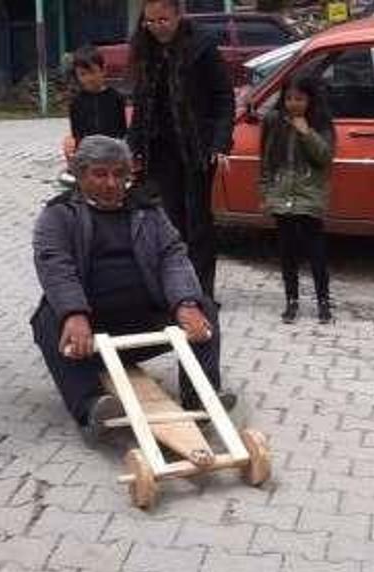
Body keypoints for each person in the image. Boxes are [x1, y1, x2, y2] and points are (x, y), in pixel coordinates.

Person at [31, 135, 235, 438]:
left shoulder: (147, 210)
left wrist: (185, 304)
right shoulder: (58, 214)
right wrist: (74, 313)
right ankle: (90, 407)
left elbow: (172, 255)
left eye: (118, 174)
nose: (111, 183)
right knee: (48, 318)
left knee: (202, 305)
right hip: (91, 333)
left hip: (143, 320)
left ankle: (202, 396)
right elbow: (55, 264)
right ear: (80, 174)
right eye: (100, 174)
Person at [127, 0, 235, 299]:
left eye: (163, 20)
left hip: (197, 147)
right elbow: (140, 103)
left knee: (198, 221)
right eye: (150, 22)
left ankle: (203, 292)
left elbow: (224, 98)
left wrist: (220, 142)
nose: (157, 27)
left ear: (177, 16)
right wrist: (133, 145)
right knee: (170, 221)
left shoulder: (201, 47)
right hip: (160, 149)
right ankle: (177, 288)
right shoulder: (144, 49)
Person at [260, 71, 336, 324]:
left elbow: (325, 157)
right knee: (287, 252)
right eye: (289, 98)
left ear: (311, 100)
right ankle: (291, 299)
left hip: (309, 197)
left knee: (316, 252)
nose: (294, 104)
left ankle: (323, 300)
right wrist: (266, 194)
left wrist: (306, 132)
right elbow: (266, 162)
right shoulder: (273, 122)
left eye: (300, 99)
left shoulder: (321, 123)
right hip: (282, 196)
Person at [69, 45, 127, 143]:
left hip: (112, 150)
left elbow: (122, 131)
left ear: (103, 70)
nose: (89, 78)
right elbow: (76, 134)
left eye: (92, 72)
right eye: (83, 74)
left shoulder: (115, 97)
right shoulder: (76, 102)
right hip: (88, 152)